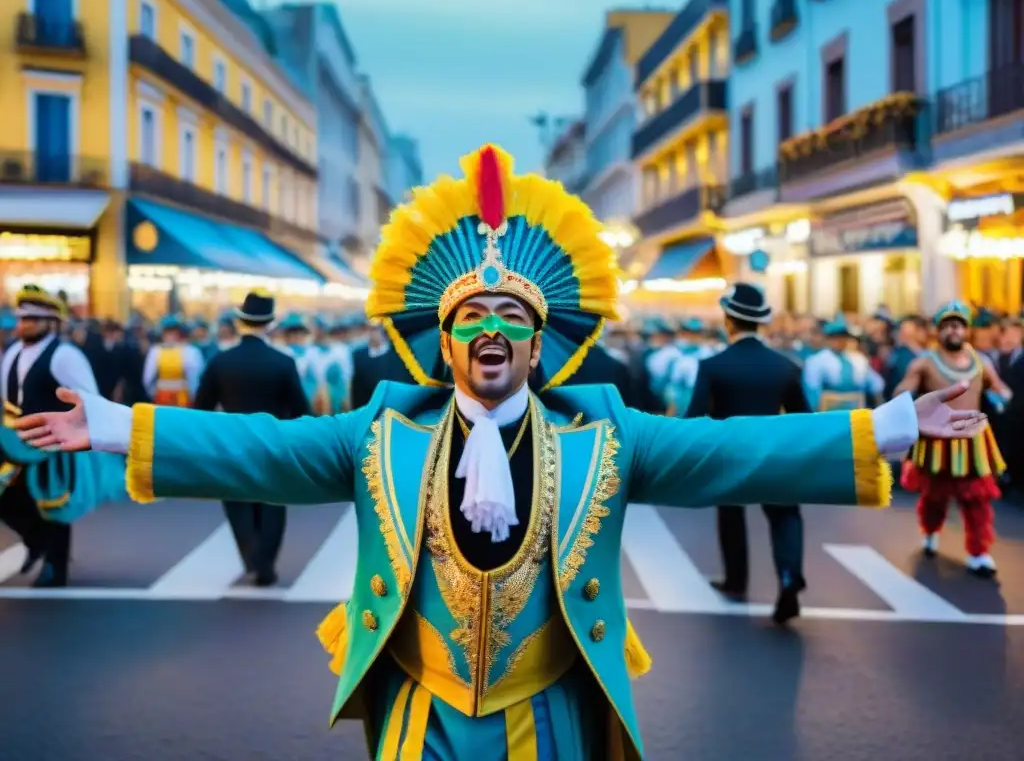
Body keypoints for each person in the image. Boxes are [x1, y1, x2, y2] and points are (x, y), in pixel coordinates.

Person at [16, 145, 985, 760]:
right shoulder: (380, 434)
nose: (488, 328)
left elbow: (727, 455)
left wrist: (891, 425)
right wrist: (115, 424)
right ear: (444, 342)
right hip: (418, 711)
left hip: (551, 713)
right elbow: (258, 449)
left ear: (535, 342)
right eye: (470, 315)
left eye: (508, 318)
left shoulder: (602, 431)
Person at [685, 283, 811, 624]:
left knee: (731, 514)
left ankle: (736, 581)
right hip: (775, 453)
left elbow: (694, 420)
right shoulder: (786, 367)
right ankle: (788, 575)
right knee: (785, 514)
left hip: (732, 454)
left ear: (729, 321)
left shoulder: (713, 366)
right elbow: (805, 419)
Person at [192, 289, 312, 586]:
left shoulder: (221, 361)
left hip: (233, 441)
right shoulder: (283, 362)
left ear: (242, 321)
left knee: (237, 502)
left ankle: (251, 555)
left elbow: (202, 407)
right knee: (272, 503)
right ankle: (266, 562)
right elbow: (300, 409)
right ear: (270, 323)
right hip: (273, 441)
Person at [895, 302, 1011, 578]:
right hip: (937, 438)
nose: (952, 330)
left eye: (957, 325)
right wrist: (905, 398)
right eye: (947, 326)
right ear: (939, 331)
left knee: (978, 499)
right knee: (935, 495)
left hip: (974, 438)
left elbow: (1002, 390)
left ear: (966, 330)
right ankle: (930, 532)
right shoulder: (923, 362)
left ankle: (979, 553)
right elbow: (902, 391)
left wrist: (1001, 398)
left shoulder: (982, 362)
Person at [0, 285, 100, 586]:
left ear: (50, 321)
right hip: (15, 441)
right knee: (7, 497)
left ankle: (55, 567)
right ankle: (36, 541)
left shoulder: (65, 355)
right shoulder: (13, 352)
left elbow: (89, 398)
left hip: (52, 441)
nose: (24, 325)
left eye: (32, 319)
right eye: (22, 319)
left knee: (53, 503)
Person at [803, 316, 884, 410]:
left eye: (843, 337)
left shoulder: (858, 359)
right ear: (828, 339)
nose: (840, 341)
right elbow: (812, 391)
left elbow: (876, 384)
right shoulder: (816, 361)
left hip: (856, 413)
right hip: (828, 414)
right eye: (836, 337)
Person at [142, 314, 203, 407]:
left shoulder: (156, 351)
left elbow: (147, 380)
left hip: (174, 399)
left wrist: (153, 393)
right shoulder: (190, 351)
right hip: (172, 399)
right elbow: (195, 380)